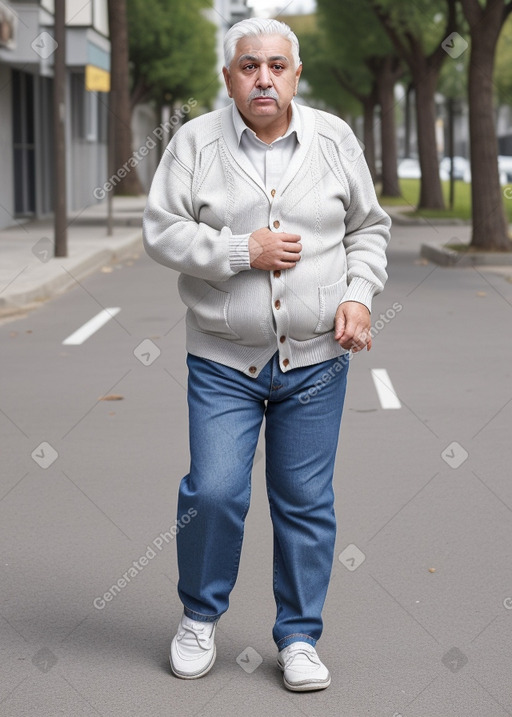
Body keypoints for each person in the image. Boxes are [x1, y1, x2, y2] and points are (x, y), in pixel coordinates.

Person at [143, 17, 391, 692]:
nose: (264, 78)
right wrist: (237, 251)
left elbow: (368, 230)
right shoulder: (195, 143)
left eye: (277, 66)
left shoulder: (335, 139)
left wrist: (359, 296)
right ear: (229, 78)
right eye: (249, 66)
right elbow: (160, 230)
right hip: (224, 359)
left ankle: (300, 634)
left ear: (296, 74)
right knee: (216, 490)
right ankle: (199, 614)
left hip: (315, 361)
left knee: (305, 499)